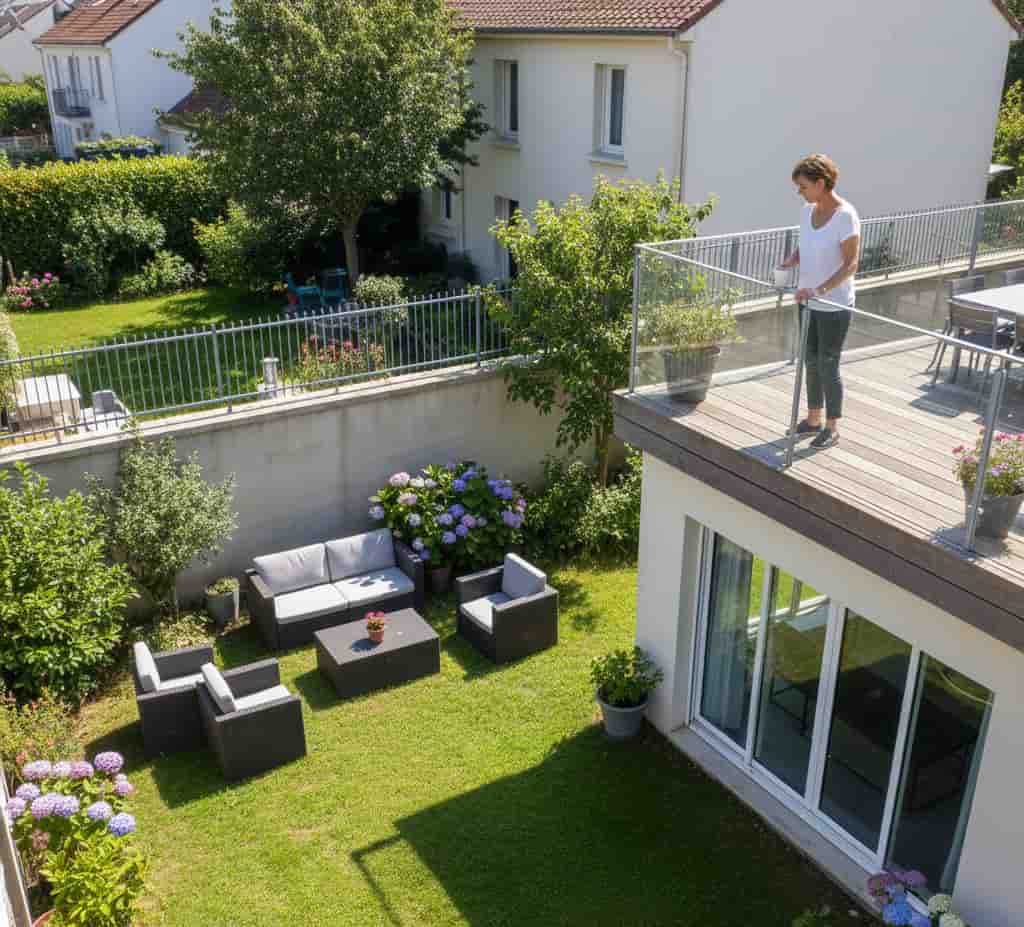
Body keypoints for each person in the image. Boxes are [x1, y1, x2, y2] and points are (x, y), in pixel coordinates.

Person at [778, 154, 861, 450]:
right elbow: (807, 243)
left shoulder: (845, 215)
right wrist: (792, 261)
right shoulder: (807, 210)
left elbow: (851, 264)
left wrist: (821, 289)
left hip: (834, 305)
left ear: (821, 183)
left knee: (828, 363)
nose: (799, 192)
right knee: (810, 361)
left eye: (803, 186)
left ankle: (832, 427)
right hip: (807, 301)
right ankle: (813, 420)